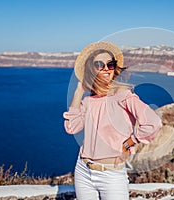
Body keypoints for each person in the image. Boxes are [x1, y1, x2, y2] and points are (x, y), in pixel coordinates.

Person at [63, 41, 162, 200]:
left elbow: (153, 122)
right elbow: (72, 127)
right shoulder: (89, 100)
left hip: (111, 175)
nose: (106, 69)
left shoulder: (123, 95)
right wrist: (79, 91)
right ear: (91, 69)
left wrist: (130, 142)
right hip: (83, 170)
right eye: (99, 64)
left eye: (110, 64)